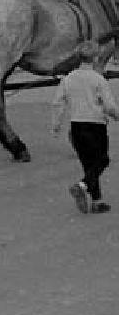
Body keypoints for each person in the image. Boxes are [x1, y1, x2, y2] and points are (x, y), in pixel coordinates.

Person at [51, 40, 119, 215]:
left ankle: (96, 201)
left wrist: (56, 124)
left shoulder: (68, 78)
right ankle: (81, 185)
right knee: (102, 160)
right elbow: (110, 106)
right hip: (96, 125)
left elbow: (58, 102)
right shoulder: (98, 79)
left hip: (77, 126)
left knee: (88, 164)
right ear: (96, 58)